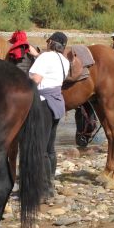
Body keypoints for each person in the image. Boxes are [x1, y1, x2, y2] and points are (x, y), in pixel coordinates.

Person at [28, 31, 69, 200]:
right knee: (50, 147)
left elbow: (35, 80)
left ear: (51, 42)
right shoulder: (64, 61)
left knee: (41, 147)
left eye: (48, 41)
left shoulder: (45, 58)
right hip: (57, 103)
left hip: (44, 103)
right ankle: (50, 184)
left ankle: (44, 190)